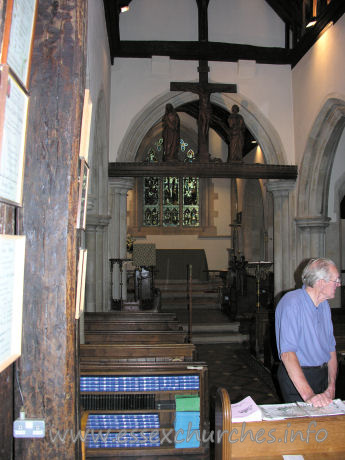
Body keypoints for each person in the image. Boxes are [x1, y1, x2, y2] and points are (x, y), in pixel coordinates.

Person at [275, 258, 340, 407]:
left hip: (322, 376)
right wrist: (309, 395)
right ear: (320, 282)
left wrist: (331, 385)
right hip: (298, 377)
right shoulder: (292, 302)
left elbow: (331, 349)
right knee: (305, 427)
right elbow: (287, 354)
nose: (339, 284)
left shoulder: (324, 306)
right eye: (335, 280)